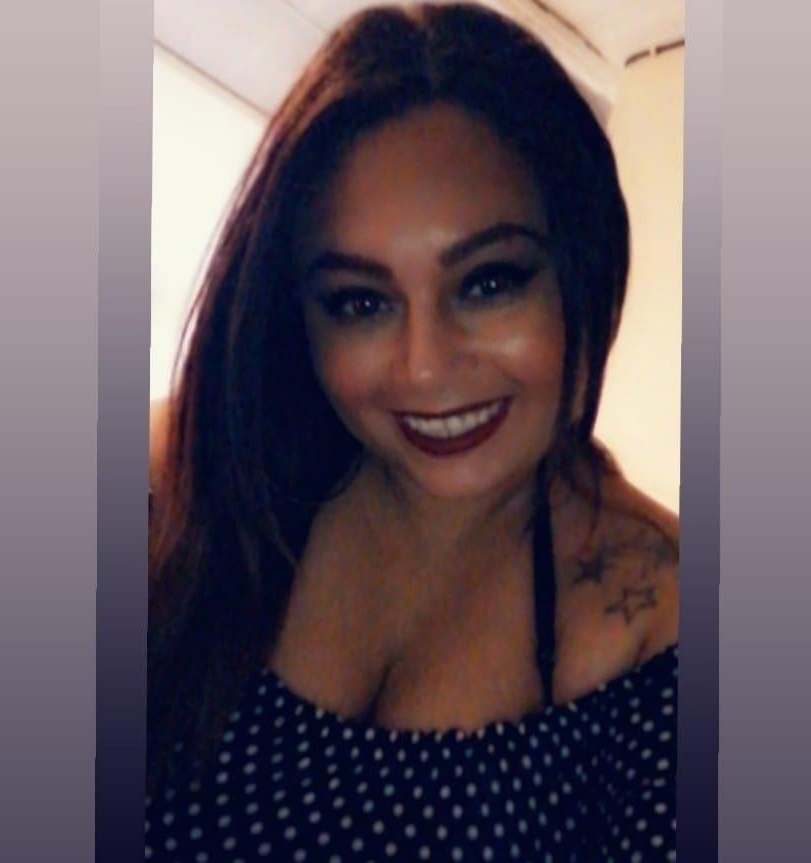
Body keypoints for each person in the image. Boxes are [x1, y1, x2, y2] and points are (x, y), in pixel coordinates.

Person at [145, 3, 679, 861]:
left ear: (582, 267)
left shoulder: (669, 626)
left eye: (489, 282)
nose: (424, 368)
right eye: (360, 301)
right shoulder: (193, 474)